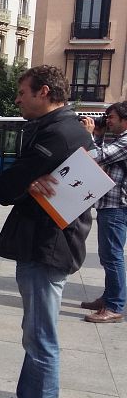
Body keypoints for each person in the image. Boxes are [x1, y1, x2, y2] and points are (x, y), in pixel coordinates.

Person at [0, 65, 94, 398]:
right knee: (34, 334)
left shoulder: (57, 135)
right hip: (51, 242)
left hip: (46, 245)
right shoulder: (71, 129)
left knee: (41, 339)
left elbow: (4, 187)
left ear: (44, 91)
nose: (17, 100)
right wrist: (25, 185)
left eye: (22, 93)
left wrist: (16, 185)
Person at [80, 102, 127, 323]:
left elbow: (96, 157)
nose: (107, 121)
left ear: (125, 120)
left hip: (116, 206)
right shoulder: (119, 139)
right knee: (108, 255)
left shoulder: (126, 141)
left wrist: (89, 135)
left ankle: (114, 306)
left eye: (111, 117)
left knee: (112, 257)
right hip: (111, 205)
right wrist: (97, 136)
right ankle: (108, 298)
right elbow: (100, 155)